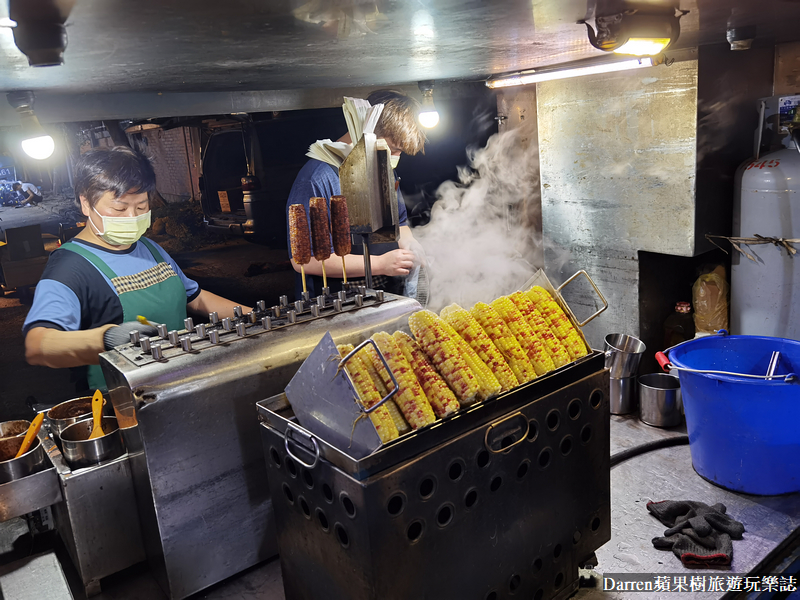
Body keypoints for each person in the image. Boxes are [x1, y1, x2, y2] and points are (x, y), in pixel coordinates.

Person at [23, 146, 250, 392]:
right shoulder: (69, 267)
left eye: (141, 207)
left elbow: (194, 297)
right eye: (120, 209)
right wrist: (107, 338)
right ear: (86, 204)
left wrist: (256, 316)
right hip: (122, 399)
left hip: (181, 380)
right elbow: (38, 345)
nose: (132, 217)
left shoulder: (149, 247)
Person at [285, 89, 425, 299]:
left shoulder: (381, 165)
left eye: (400, 152)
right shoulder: (317, 178)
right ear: (364, 129)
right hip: (335, 301)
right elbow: (304, 261)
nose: (395, 158)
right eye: (393, 148)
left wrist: (411, 246)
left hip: (384, 294)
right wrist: (379, 264)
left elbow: (400, 224)